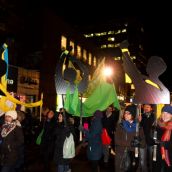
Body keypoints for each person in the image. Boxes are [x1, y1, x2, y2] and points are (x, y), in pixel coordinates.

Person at [115, 105, 146, 172]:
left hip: (134, 156)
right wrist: (131, 143)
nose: (125, 115)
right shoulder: (120, 126)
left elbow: (143, 144)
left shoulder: (139, 127)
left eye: (128, 113)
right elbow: (116, 141)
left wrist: (139, 142)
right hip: (121, 155)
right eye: (125, 113)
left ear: (133, 114)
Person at [155, 105, 172, 172]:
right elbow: (151, 142)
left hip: (169, 157)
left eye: (168, 113)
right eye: (163, 113)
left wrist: (166, 144)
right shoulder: (156, 125)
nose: (165, 115)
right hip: (157, 156)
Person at [139, 104, 156, 172]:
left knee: (152, 159)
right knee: (142, 159)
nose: (146, 108)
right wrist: (139, 121)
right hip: (142, 141)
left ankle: (152, 169)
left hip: (151, 142)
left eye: (148, 107)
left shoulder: (155, 117)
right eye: (145, 107)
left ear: (151, 108)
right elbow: (138, 129)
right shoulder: (141, 116)